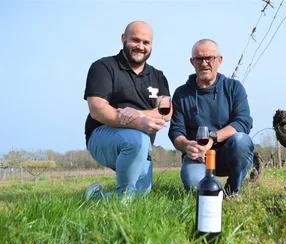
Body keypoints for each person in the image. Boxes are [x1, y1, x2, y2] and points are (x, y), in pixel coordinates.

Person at [83, 21, 171, 199]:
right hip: (102, 136)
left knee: (141, 195)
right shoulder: (104, 67)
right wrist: (138, 123)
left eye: (146, 43)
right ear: (124, 39)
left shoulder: (158, 76)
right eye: (135, 40)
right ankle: (124, 199)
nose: (141, 46)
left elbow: (166, 111)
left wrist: (138, 113)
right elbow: (98, 109)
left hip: (143, 145)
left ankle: (96, 197)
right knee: (137, 139)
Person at [168, 39, 254, 197]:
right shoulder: (181, 94)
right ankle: (215, 194)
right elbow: (175, 131)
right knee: (198, 191)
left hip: (228, 151)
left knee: (242, 141)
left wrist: (213, 138)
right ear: (192, 62)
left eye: (210, 58)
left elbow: (243, 121)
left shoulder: (234, 88)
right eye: (199, 59)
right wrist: (187, 145)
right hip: (198, 157)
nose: (204, 63)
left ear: (219, 60)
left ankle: (232, 191)